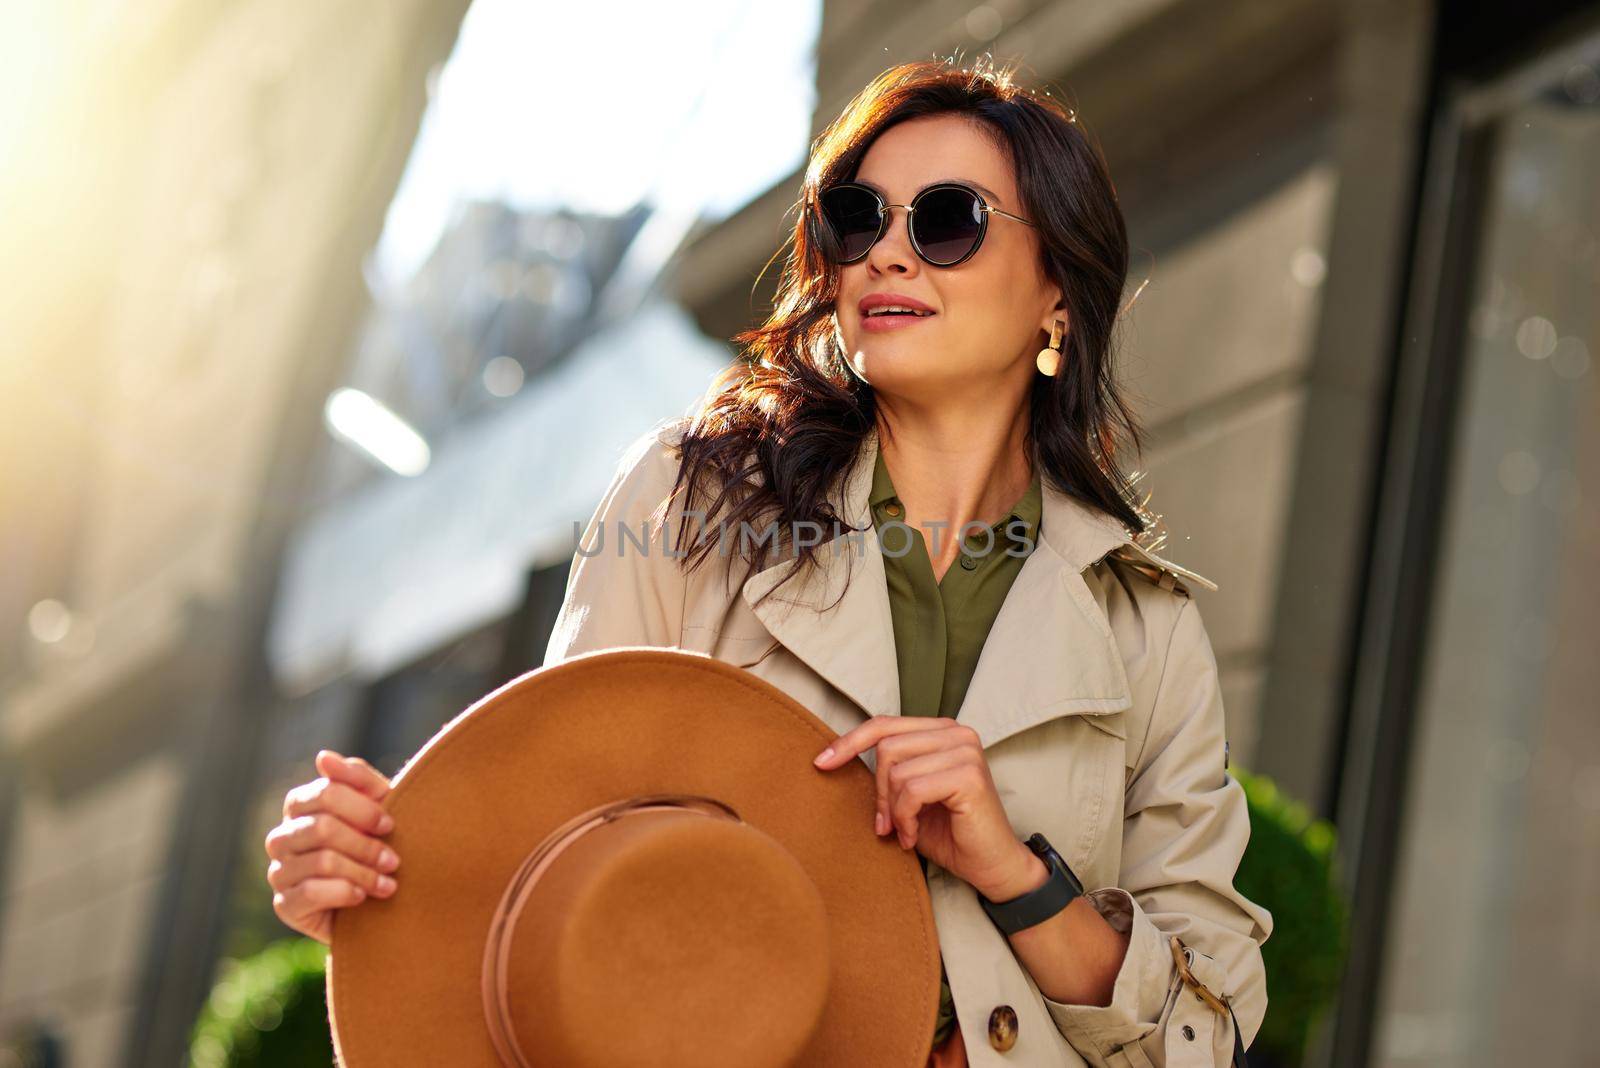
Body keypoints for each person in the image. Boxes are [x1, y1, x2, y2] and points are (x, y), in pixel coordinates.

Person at [265, 57, 1271, 1068]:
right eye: (856, 217)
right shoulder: (691, 499)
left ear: (1057, 290)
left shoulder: (1145, 628)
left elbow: (1205, 1032)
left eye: (947, 222)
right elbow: (545, 842)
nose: (887, 254)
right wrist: (370, 880)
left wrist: (1016, 874)